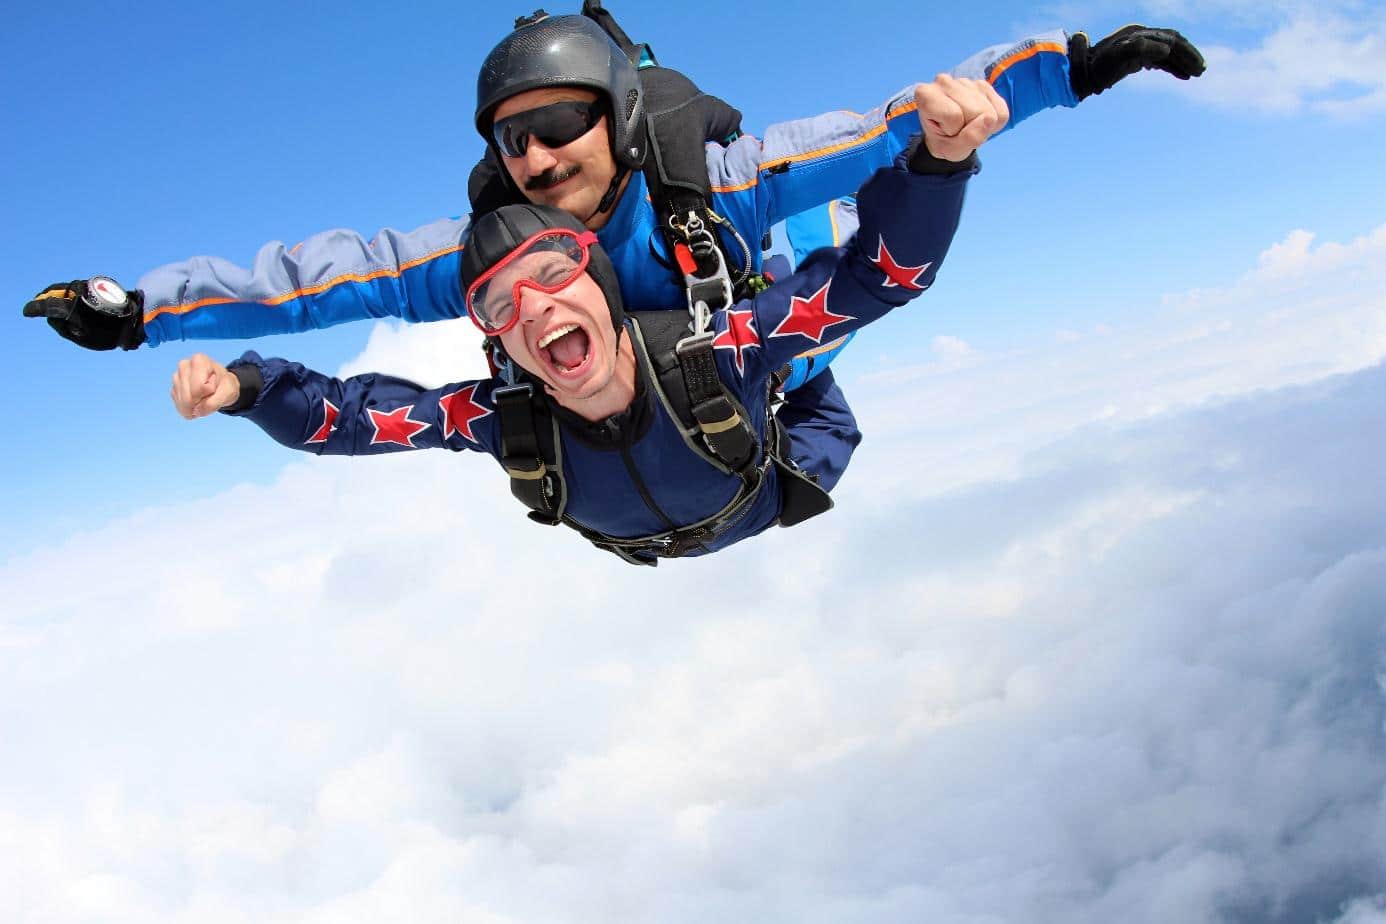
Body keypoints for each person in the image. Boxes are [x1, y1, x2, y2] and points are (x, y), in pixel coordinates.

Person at [168, 75, 1007, 565]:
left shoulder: (722, 351)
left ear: (605, 291)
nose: (534, 309)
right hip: (726, 492)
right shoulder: (511, 419)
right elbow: (347, 423)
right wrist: (245, 386)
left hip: (786, 451)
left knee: (805, 318)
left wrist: (940, 160)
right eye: (503, 304)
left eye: (553, 277)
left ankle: (723, 210)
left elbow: (880, 278)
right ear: (495, 338)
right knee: (808, 322)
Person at [24, 16, 1204, 360]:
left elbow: (897, 120)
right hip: (639, 391)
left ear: (621, 118)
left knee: (828, 199)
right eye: (512, 142)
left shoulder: (717, 182)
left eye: (557, 126)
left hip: (765, 343)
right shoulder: (503, 248)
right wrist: (143, 310)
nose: (537, 160)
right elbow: (321, 285)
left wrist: (1062, 75)